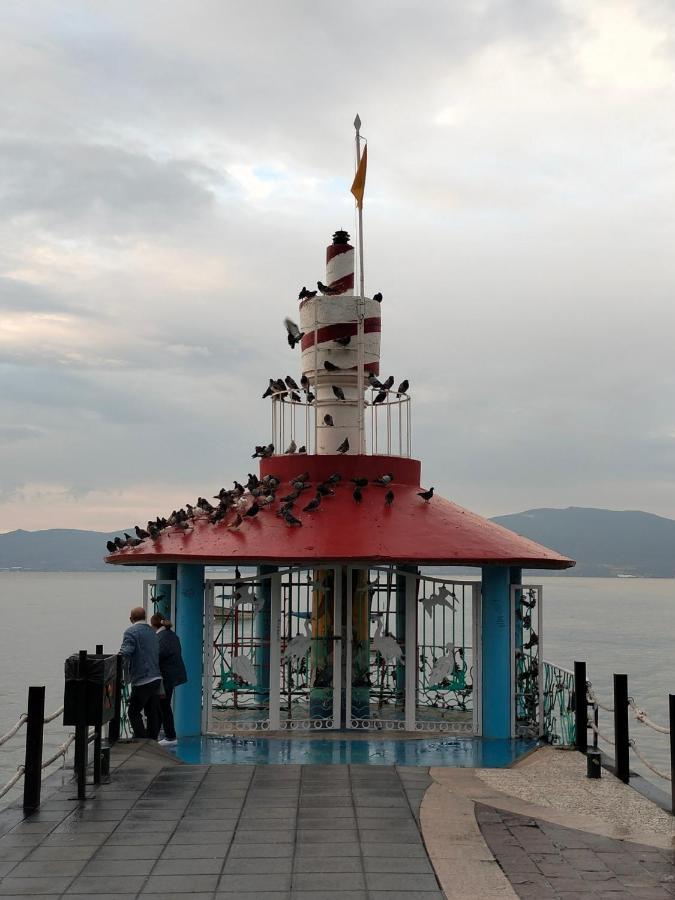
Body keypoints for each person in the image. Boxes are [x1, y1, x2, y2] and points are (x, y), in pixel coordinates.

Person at [119, 606, 162, 740]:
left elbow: (125, 653)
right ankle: (152, 740)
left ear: (131, 618)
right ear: (144, 617)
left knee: (133, 712)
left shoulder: (131, 632)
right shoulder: (152, 631)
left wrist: (116, 663)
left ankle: (141, 739)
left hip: (142, 679)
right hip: (156, 678)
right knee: (152, 712)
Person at [150, 613, 187, 747]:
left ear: (153, 625)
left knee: (164, 706)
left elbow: (158, 656)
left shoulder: (161, 638)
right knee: (162, 705)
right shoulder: (172, 635)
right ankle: (155, 734)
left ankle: (170, 736)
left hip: (166, 677)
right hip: (173, 675)